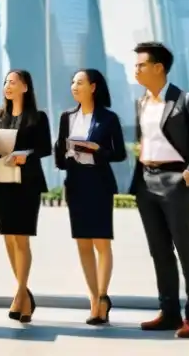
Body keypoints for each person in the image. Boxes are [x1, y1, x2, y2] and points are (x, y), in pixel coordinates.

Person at [131, 42, 189, 339]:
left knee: (186, 249)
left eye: (141, 64)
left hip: (175, 179)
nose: (136, 69)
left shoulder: (186, 100)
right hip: (145, 180)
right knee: (159, 251)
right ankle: (169, 313)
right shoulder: (140, 102)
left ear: (158, 68)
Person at [54, 69, 127, 325]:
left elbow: (120, 154)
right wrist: (65, 153)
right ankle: (93, 300)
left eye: (80, 82)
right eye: (73, 82)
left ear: (93, 87)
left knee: (102, 242)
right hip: (75, 183)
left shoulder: (108, 118)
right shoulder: (66, 117)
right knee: (83, 243)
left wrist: (98, 150)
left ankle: (103, 297)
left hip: (99, 183)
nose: (74, 86)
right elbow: (59, 154)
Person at [0, 70, 52, 322]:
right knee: (9, 239)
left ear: (25, 87)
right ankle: (25, 295)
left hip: (27, 183)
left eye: (12, 82)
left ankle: (19, 295)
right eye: (5, 82)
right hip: (3, 181)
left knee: (21, 239)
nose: (7, 86)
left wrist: (26, 155)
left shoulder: (38, 117)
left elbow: (45, 147)